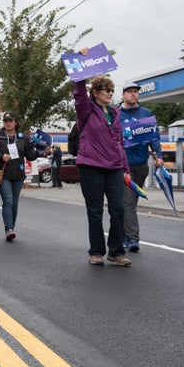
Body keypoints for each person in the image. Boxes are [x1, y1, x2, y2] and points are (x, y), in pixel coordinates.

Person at [74, 75, 132, 266]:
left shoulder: (116, 113)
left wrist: (125, 168)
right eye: (106, 90)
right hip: (91, 166)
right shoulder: (86, 110)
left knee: (118, 209)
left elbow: (120, 142)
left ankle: (116, 251)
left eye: (111, 90)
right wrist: (80, 76)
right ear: (96, 92)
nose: (110, 93)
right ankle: (96, 251)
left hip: (114, 167)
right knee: (95, 211)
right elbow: (79, 95)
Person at [120, 82, 163, 253]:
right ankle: (132, 238)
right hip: (124, 166)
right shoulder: (116, 114)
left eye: (135, 92)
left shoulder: (146, 114)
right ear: (123, 94)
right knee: (128, 202)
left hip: (141, 166)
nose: (133, 94)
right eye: (129, 92)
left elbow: (154, 137)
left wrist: (158, 155)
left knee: (129, 203)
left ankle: (123, 233)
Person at [0, 112, 38, 242]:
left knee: (14, 203)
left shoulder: (22, 138)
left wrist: (41, 152)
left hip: (18, 174)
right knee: (8, 201)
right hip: (3, 175)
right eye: (5, 120)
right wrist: (1, 156)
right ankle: (9, 229)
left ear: (15, 122)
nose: (8, 122)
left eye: (10, 120)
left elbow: (30, 155)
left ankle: (11, 229)